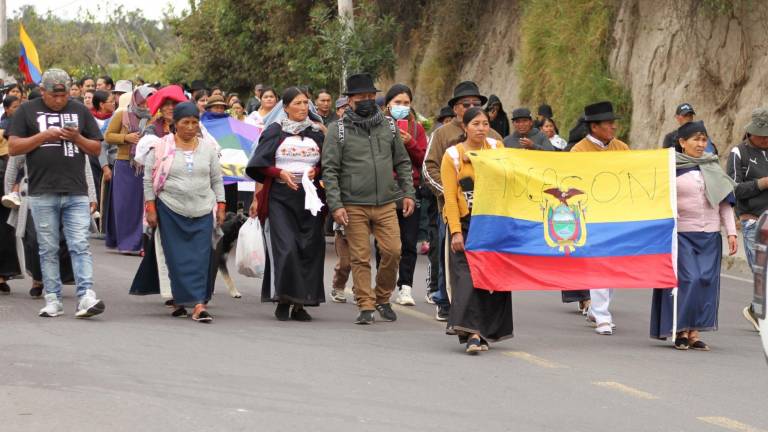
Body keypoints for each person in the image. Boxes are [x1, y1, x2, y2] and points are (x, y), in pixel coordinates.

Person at [7, 68, 105, 318]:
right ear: (42, 91)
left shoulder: (80, 110)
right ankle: (53, 298)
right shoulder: (27, 110)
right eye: (54, 95)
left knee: (80, 244)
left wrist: (77, 138)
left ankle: (86, 296)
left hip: (76, 191)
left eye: (64, 95)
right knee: (47, 248)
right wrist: (43, 136)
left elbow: (95, 149)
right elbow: (14, 147)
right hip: (42, 191)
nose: (60, 100)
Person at [322, 73, 416, 324]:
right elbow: (329, 170)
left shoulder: (389, 126)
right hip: (353, 204)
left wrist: (408, 193)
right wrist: (336, 205)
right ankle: (365, 305)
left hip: (386, 202)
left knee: (393, 251)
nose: (366, 100)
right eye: (360, 97)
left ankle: (382, 297)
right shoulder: (338, 130)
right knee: (360, 257)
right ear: (350, 100)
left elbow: (402, 162)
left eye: (370, 96)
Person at [135, 102, 225, 322]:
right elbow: (148, 180)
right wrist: (150, 208)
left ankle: (198, 303)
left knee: (201, 257)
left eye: (195, 122)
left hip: (203, 209)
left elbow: (216, 179)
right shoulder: (160, 148)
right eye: (186, 122)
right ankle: (185, 300)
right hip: (170, 209)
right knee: (177, 258)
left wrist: (221, 205)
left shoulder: (208, 149)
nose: (191, 127)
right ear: (175, 124)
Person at [651, 121, 737, 350]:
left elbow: (725, 203)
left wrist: (731, 232)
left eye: (703, 139)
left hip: (710, 236)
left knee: (706, 282)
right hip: (682, 235)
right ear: (682, 142)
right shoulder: (671, 168)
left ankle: (694, 332)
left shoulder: (712, 166)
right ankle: (680, 329)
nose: (700, 144)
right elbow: (659, 200)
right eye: (695, 139)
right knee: (689, 280)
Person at [423, 81, 502, 322]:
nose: (470, 107)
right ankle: (444, 300)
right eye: (465, 104)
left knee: (483, 260)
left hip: (487, 212)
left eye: (476, 104)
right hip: (450, 208)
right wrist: (449, 193)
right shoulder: (441, 134)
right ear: (456, 108)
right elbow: (429, 168)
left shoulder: (494, 138)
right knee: (448, 256)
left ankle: (479, 307)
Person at [246, 87, 326, 321]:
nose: (303, 108)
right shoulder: (275, 131)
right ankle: (283, 298)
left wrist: (316, 171)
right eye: (298, 103)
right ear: (286, 107)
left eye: (306, 103)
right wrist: (279, 173)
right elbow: (259, 164)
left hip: (310, 199)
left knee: (309, 248)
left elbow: (328, 163)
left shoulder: (316, 133)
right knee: (287, 247)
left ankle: (301, 303)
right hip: (281, 198)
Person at [440, 107, 513, 354]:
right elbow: (450, 197)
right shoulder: (453, 155)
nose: (481, 128)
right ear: (465, 127)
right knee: (468, 278)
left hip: (493, 223)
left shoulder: (497, 148)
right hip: (467, 222)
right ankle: (471, 333)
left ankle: (485, 331)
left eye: (485, 123)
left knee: (491, 277)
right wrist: (455, 231)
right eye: (476, 124)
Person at [570, 101, 629, 335]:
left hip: (617, 214)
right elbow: (573, 182)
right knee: (599, 262)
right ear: (594, 127)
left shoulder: (621, 148)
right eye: (608, 123)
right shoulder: (579, 151)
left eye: (614, 123)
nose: (614, 127)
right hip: (592, 214)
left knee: (614, 265)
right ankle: (603, 316)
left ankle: (596, 309)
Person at [382, 84, 427, 306]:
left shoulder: (417, 129)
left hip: (411, 189)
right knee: (385, 243)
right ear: (387, 105)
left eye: (406, 103)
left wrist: (411, 143)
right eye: (397, 102)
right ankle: (383, 285)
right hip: (385, 190)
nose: (402, 106)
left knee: (409, 241)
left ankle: (405, 287)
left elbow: (424, 160)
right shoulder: (378, 127)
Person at [726, 107, 768, 332]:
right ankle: (759, 314)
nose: (765, 139)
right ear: (751, 132)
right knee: (762, 272)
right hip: (753, 222)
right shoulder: (738, 152)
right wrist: (762, 183)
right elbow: (733, 189)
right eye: (762, 135)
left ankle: (756, 310)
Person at [105, 86, 156, 254]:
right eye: (143, 101)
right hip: (125, 165)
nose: (145, 104)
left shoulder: (154, 118)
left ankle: (141, 243)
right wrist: (126, 137)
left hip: (146, 166)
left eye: (149, 101)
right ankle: (126, 243)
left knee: (141, 206)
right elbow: (108, 136)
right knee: (125, 205)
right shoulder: (123, 114)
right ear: (136, 100)